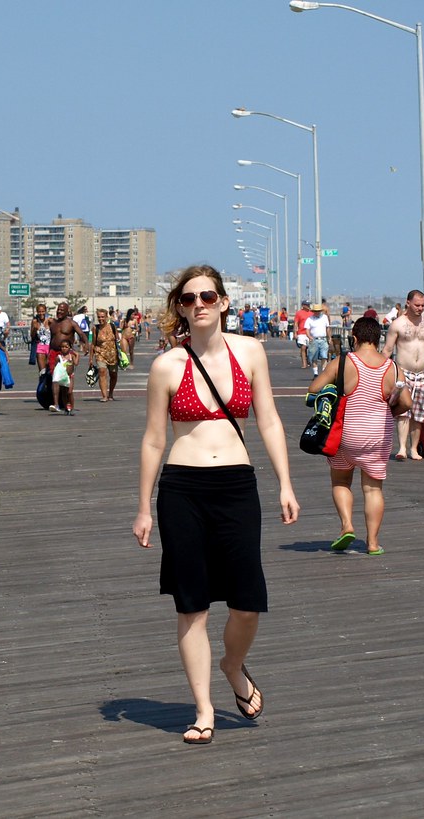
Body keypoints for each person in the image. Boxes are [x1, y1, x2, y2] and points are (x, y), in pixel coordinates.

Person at [132, 264, 299, 746]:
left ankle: (232, 664)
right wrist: (143, 506)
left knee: (248, 602)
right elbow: (153, 440)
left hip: (236, 485)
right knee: (192, 606)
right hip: (182, 490)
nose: (199, 305)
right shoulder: (167, 366)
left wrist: (285, 483)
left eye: (207, 297)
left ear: (224, 302)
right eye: (189, 299)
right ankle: (203, 709)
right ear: (180, 308)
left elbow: (269, 420)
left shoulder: (250, 352)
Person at [309, 317, 412, 556]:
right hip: (378, 434)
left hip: (345, 433)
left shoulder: (343, 362)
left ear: (354, 338)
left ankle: (347, 526)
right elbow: (406, 402)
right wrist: (389, 411)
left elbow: (314, 389)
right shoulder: (392, 367)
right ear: (378, 339)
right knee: (373, 490)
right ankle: (373, 543)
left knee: (341, 482)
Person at [381, 290, 424, 461]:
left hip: (423, 373)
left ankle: (413, 449)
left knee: (419, 413)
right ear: (408, 303)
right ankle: (402, 448)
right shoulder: (398, 324)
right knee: (404, 411)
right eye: (417, 305)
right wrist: (380, 371)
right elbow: (388, 349)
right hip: (403, 372)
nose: (420, 308)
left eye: (422, 305)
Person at [48, 302, 89, 375]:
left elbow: (81, 334)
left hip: (66, 353)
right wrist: (49, 353)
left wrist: (86, 345)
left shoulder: (71, 323)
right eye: (58, 310)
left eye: (62, 310)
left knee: (67, 376)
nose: (59, 311)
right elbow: (52, 339)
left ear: (67, 312)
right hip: (54, 352)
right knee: (54, 376)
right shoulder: (53, 323)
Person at [89, 308, 120, 402]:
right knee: (102, 371)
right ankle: (104, 396)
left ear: (106, 317)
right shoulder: (95, 328)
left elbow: (118, 340)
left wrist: (122, 353)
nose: (100, 319)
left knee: (113, 375)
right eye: (99, 317)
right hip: (100, 354)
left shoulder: (112, 326)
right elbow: (93, 344)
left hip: (112, 355)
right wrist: (91, 358)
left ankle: (110, 393)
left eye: (102, 317)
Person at [50, 339, 80, 415]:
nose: (64, 348)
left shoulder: (71, 356)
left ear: (70, 347)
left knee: (69, 392)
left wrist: (77, 355)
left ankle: (72, 408)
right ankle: (66, 408)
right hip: (62, 377)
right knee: (64, 393)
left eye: (66, 347)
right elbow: (56, 367)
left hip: (70, 376)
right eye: (62, 347)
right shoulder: (59, 357)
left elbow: (76, 363)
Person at [304, 304, 331, 377]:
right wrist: (310, 337)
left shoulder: (324, 317)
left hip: (323, 339)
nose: (317, 312)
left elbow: (327, 328)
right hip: (314, 339)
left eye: (318, 311)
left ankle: (324, 372)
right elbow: (307, 329)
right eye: (316, 311)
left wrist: (329, 337)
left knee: (324, 356)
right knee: (314, 357)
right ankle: (315, 373)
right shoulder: (310, 319)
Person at [31, 303, 50, 371]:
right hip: (40, 346)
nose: (41, 313)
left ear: (45, 311)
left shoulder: (50, 321)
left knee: (50, 370)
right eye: (39, 311)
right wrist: (34, 329)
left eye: (43, 311)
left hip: (50, 346)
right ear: (37, 312)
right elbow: (32, 336)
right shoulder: (35, 321)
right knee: (42, 371)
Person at [294, 300, 312, 368]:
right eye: (307, 305)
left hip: (310, 333)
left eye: (309, 305)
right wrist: (295, 333)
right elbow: (296, 323)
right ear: (303, 305)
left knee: (310, 348)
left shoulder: (312, 313)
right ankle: (304, 364)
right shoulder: (299, 313)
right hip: (302, 333)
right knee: (303, 347)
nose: (308, 306)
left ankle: (308, 360)